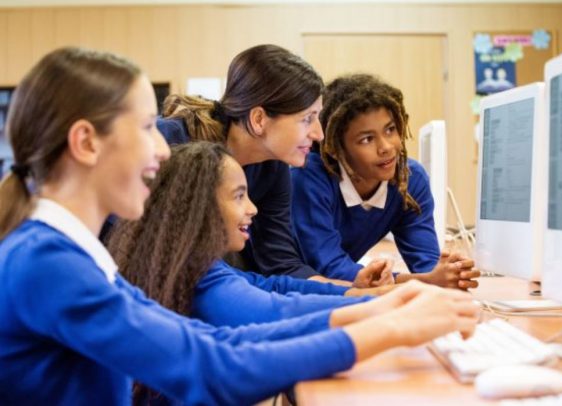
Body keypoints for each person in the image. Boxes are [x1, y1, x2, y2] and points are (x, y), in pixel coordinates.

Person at [0, 47, 479, 405]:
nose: (164, 149)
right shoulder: (47, 264)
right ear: (86, 143)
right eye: (147, 127)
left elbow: (212, 341)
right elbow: (209, 366)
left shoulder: (67, 254)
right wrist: (390, 327)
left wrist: (380, 311)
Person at [155, 44, 393, 287]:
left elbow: (280, 262)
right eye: (307, 119)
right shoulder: (169, 144)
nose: (319, 134)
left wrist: (352, 288)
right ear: (259, 119)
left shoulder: (273, 167)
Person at [108, 141, 383, 330]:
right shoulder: (197, 278)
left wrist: (360, 294)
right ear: (199, 206)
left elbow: (273, 287)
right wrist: (382, 308)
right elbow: (275, 311)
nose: (253, 208)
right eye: (239, 196)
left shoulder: (197, 265)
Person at [291, 74, 480, 290]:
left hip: (340, 292)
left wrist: (447, 274)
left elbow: (426, 265)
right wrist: (422, 281)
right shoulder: (308, 177)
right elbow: (329, 267)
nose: (386, 147)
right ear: (334, 148)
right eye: (367, 139)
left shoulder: (409, 179)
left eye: (390, 130)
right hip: (292, 289)